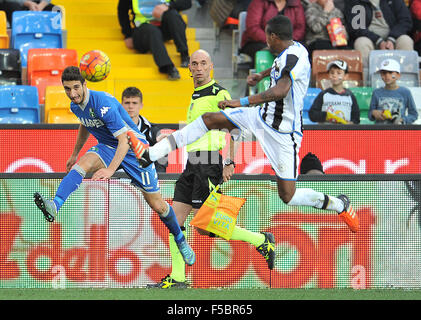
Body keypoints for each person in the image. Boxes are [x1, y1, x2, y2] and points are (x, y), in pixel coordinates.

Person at [127, 15, 360, 234]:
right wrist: (261, 75)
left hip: (283, 133)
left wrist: (241, 101)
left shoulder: (292, 56)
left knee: (287, 195)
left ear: (273, 37)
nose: (266, 42)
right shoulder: (294, 48)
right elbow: (279, 67)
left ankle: (338, 204)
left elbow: (281, 90)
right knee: (209, 120)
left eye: (267, 38)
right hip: (260, 116)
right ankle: (151, 154)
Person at [33, 66, 195, 266]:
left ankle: (180, 238)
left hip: (135, 150)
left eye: (76, 87)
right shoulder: (75, 106)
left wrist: (110, 170)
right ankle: (55, 204)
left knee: (158, 205)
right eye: (67, 89)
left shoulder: (103, 103)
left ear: (84, 84)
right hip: (109, 147)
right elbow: (85, 124)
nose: (72, 93)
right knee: (82, 164)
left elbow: (124, 140)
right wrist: (75, 153)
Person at [146, 49, 276, 289]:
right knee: (174, 220)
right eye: (194, 63)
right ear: (189, 68)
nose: (198, 67)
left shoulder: (219, 93)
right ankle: (178, 278)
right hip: (192, 163)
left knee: (208, 226)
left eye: (203, 63)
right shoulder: (196, 96)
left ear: (211, 66)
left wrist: (229, 161)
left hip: (208, 163)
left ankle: (261, 240)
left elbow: (235, 128)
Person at [117, 0, 191, 80]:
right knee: (152, 31)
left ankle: (185, 56)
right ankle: (168, 68)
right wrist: (127, 35)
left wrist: (168, 5)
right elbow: (122, 10)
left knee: (173, 15)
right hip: (143, 31)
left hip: (164, 28)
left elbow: (187, 3)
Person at [343, 0, 414, 67]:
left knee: (405, 40)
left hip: (393, 40)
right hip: (371, 40)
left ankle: (405, 77)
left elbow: (405, 21)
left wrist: (392, 39)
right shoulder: (356, 2)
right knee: (361, 42)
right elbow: (357, 28)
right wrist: (378, 41)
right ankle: (367, 77)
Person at [240, 0, 305, 66]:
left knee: (300, 49)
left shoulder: (295, 3)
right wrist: (273, 41)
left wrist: (286, 41)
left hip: (288, 42)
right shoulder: (259, 2)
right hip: (258, 42)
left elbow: (300, 28)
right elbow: (253, 28)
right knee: (271, 50)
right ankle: (267, 74)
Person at [121, 86, 168, 172]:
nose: (131, 106)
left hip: (145, 177)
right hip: (118, 178)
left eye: (134, 103)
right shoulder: (112, 128)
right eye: (127, 103)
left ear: (141, 105)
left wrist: (159, 177)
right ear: (121, 105)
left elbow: (161, 160)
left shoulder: (153, 131)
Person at [309, 60, 360, 124]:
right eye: (332, 73)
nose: (334, 75)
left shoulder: (350, 96)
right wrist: (326, 116)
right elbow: (312, 114)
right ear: (329, 75)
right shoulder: (323, 95)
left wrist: (351, 123)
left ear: (346, 76)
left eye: (339, 73)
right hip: (326, 132)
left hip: (345, 132)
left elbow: (356, 118)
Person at [368, 58, 418, 124]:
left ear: (398, 75)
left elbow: (414, 114)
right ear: (381, 75)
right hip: (380, 132)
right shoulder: (376, 92)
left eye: (391, 72)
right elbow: (370, 115)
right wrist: (373, 113)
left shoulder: (406, 92)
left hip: (398, 132)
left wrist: (402, 120)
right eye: (384, 73)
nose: (387, 76)